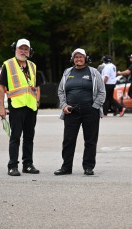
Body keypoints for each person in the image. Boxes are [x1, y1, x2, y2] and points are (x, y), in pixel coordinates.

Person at [54, 48, 106, 176]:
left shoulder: (93, 72)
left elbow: (101, 91)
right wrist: (64, 105)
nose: (78, 59)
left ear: (85, 58)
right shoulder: (67, 73)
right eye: (76, 57)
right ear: (73, 59)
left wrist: (95, 106)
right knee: (68, 140)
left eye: (81, 56)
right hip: (71, 112)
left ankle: (88, 167)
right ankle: (66, 167)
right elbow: (61, 91)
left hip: (90, 111)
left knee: (90, 140)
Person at [0, 38, 42, 176]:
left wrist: (37, 102)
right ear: (15, 49)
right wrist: (1, 107)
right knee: (15, 137)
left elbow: (37, 86)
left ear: (30, 51)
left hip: (31, 107)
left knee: (29, 137)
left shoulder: (33, 66)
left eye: (26, 49)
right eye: (21, 48)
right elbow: (1, 87)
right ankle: (12, 166)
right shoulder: (8, 64)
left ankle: (28, 164)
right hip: (16, 106)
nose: (23, 51)